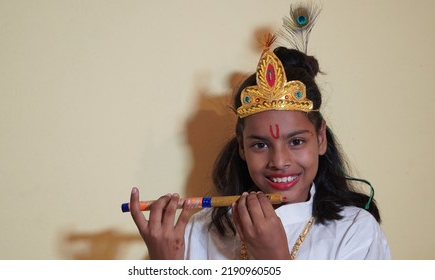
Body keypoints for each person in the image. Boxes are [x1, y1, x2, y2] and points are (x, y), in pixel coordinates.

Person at [128, 6, 391, 260]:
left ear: (321, 138)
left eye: (297, 141)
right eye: (260, 145)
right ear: (242, 146)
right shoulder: (201, 228)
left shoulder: (355, 231)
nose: (279, 161)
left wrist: (274, 259)